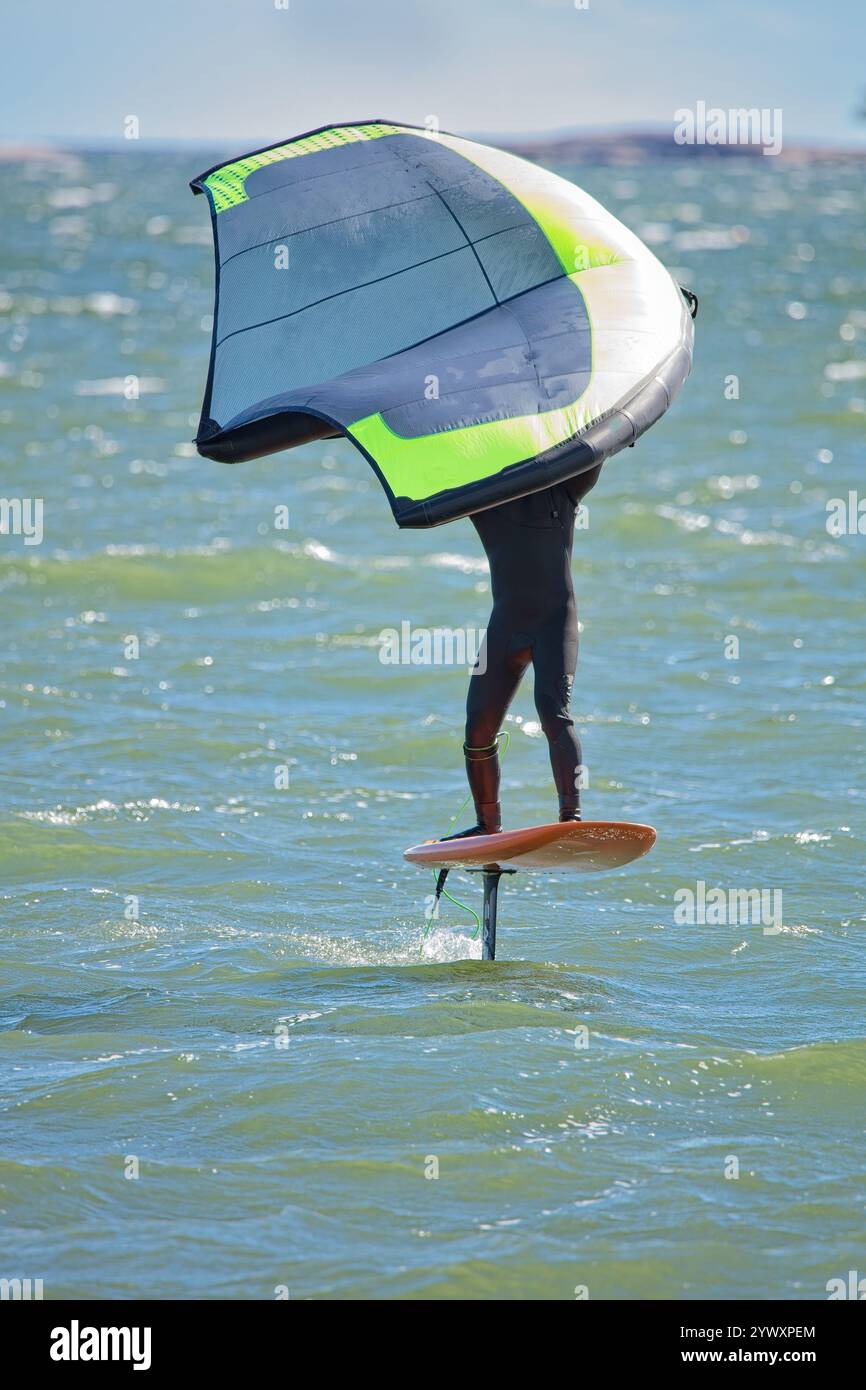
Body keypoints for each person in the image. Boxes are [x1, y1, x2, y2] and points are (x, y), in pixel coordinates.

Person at [446, 465, 603, 839]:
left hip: (555, 624)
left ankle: (571, 819)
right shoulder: (482, 493)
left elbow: (600, 441)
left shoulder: (562, 486)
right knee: (478, 726)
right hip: (507, 626)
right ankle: (487, 825)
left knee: (554, 714)